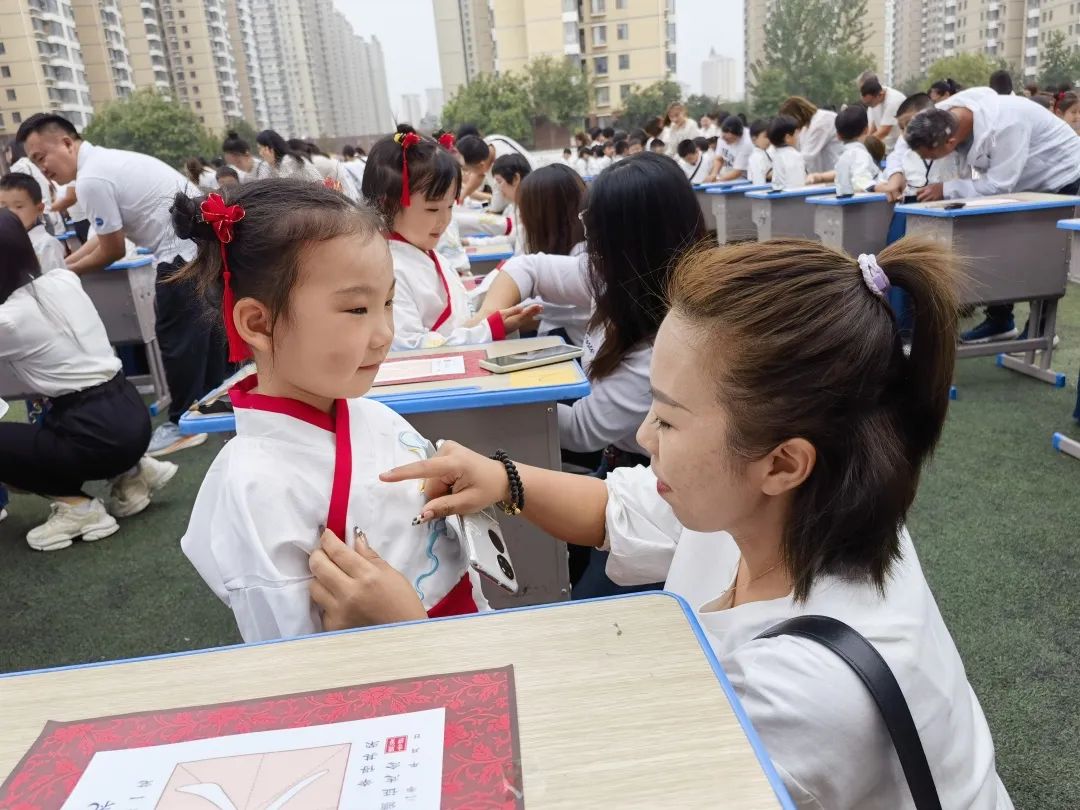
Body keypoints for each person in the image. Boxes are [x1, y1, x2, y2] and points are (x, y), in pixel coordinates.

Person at [314, 236, 1015, 810]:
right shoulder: (785, 509)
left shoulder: (805, 692)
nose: (646, 434)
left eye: (671, 417)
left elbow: (583, 788)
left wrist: (409, 646)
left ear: (783, 462)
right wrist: (504, 479)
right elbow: (614, 512)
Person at [174, 180, 487, 643]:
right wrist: (404, 630)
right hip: (392, 685)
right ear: (258, 323)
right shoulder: (255, 484)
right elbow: (294, 661)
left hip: (457, 638)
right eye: (357, 309)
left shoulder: (373, 416)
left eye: (387, 302)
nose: (384, 333)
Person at [17, 113, 216, 457]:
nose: (42, 168)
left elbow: (109, 249)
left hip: (179, 254)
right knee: (202, 336)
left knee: (177, 341)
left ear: (67, 142)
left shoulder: (94, 177)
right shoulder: (102, 166)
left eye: (41, 157)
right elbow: (106, 239)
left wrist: (60, 275)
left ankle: (183, 422)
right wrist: (61, 270)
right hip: (196, 248)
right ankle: (208, 408)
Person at [0, 210, 176, 550]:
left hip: (94, 432)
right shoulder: (62, 281)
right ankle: (132, 472)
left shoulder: (9, 321)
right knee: (53, 419)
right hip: (131, 413)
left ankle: (79, 509)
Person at [905, 87, 1080, 342]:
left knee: (1047, 253)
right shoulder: (945, 113)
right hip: (1024, 182)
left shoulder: (1007, 125)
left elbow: (999, 185)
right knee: (999, 243)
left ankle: (1041, 329)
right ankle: (1000, 321)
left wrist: (946, 189)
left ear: (950, 143)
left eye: (930, 157)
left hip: (1061, 176)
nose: (930, 160)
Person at [362, 132, 539, 350]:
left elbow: (457, 309)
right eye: (432, 208)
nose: (444, 220)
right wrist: (488, 329)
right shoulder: (388, 269)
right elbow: (411, 349)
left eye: (450, 207)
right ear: (387, 204)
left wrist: (497, 281)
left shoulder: (422, 250)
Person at [0, 172, 66, 270]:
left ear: (39, 209)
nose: (10, 213)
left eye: (19, 206)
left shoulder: (45, 245)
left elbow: (55, 282)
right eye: (4, 207)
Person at [456, 132, 535, 213]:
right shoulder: (489, 143)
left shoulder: (502, 170)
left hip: (530, 200)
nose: (468, 174)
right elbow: (479, 174)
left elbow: (496, 208)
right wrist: (463, 195)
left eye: (469, 170)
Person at [3, 139, 63, 234]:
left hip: (36, 217)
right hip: (44, 213)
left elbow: (19, 194)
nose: (5, 155)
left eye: (6, 151)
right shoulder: (30, 164)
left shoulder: (19, 167)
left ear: (12, 150)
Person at [777, 96, 843, 175]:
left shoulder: (822, 121)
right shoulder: (806, 128)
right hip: (822, 175)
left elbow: (806, 157)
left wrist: (783, 169)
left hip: (834, 173)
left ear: (797, 115)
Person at [829, 105, 881, 195]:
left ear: (838, 135)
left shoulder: (842, 156)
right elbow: (861, 182)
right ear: (866, 129)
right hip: (868, 206)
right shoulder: (859, 154)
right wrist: (886, 187)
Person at [490, 153, 531, 252]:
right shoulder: (515, 207)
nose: (499, 188)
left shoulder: (531, 210)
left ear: (516, 178)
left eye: (499, 182)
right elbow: (513, 238)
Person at [860, 74, 907, 151]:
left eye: (869, 103)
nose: (869, 106)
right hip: (885, 146)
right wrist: (867, 137)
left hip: (898, 146)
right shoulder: (875, 99)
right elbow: (874, 125)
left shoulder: (893, 101)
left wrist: (863, 144)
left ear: (879, 95)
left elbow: (884, 131)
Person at [255, 130, 323, 183]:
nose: (260, 153)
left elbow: (284, 191)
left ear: (270, 149)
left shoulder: (289, 161)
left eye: (260, 148)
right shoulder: (273, 165)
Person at [767, 115, 807, 190]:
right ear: (788, 137)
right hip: (793, 199)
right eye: (796, 133)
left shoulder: (776, 154)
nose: (798, 136)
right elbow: (797, 185)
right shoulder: (794, 155)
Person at [709, 116, 752, 182]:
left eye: (728, 139)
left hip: (745, 179)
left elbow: (738, 172)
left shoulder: (747, 142)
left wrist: (718, 180)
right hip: (727, 176)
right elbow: (719, 159)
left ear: (739, 136)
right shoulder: (722, 137)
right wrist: (714, 174)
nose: (725, 141)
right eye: (723, 138)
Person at [747, 119, 773, 185]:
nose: (769, 139)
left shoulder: (765, 152)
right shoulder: (756, 157)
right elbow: (759, 182)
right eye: (766, 136)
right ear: (754, 139)